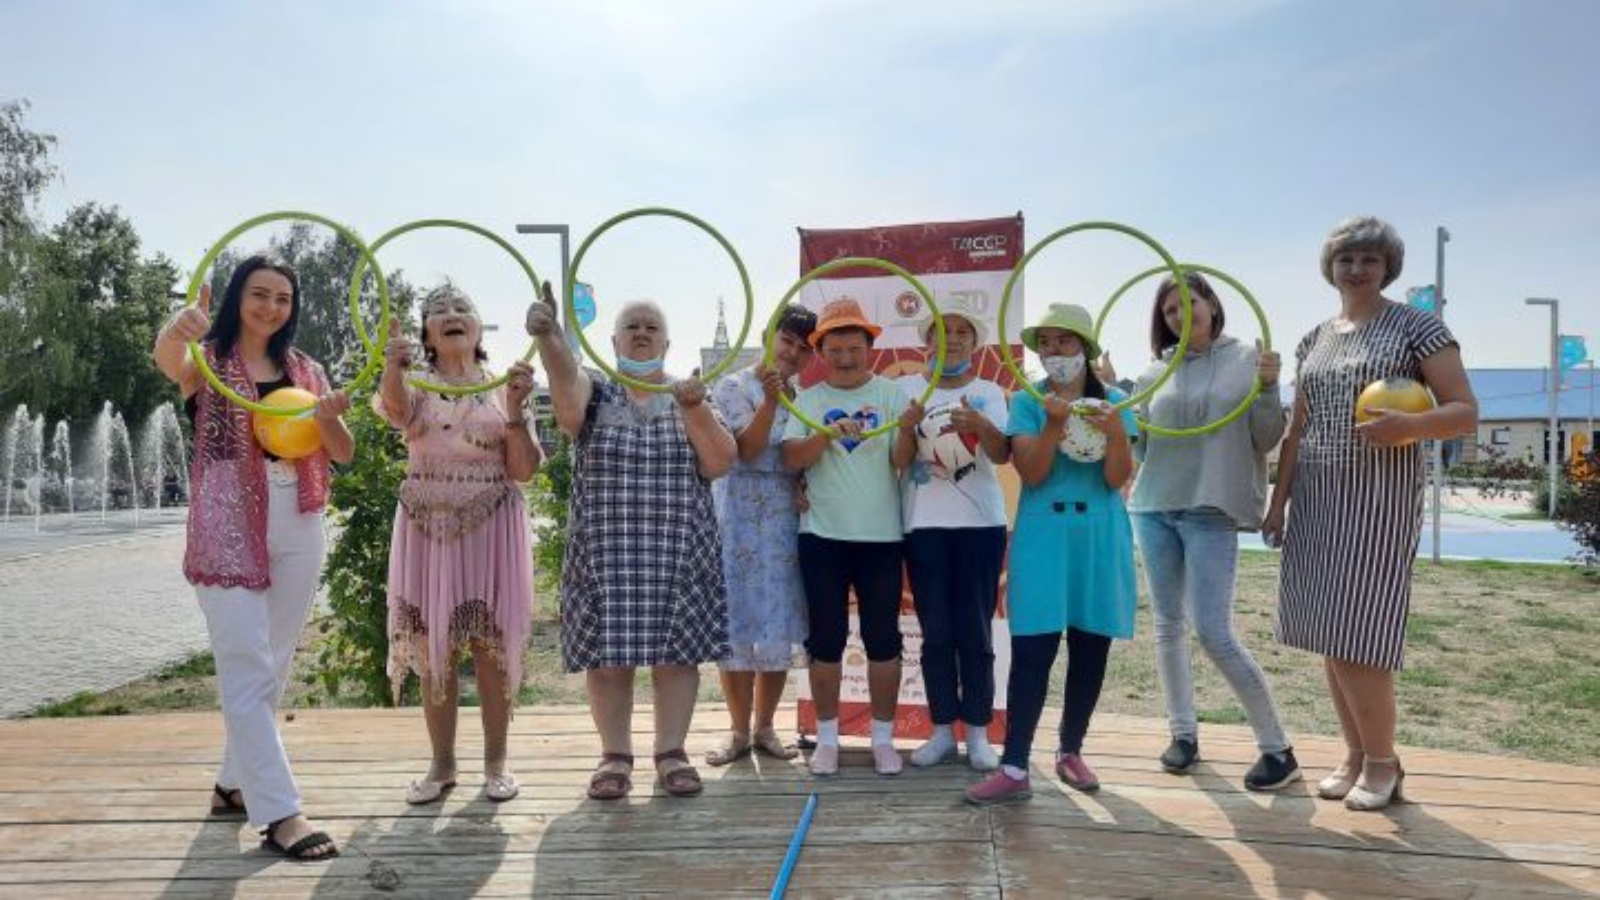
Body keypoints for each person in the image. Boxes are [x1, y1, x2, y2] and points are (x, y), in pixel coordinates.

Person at [1264, 216, 1477, 811]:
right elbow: (1297, 428)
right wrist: (1278, 502)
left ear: (1388, 268)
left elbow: (1464, 411)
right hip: (1317, 494)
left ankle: (1384, 762)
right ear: (1330, 267)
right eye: (1346, 259)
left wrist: (1411, 424)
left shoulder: (1418, 327)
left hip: (1379, 496)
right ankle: (1357, 753)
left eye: (1369, 260)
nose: (1356, 269)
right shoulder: (1314, 338)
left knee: (1362, 632)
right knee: (1329, 632)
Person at [151, 253, 352, 860]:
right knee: (245, 659)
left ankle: (234, 784)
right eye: (260, 293)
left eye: (283, 298)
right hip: (226, 518)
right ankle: (281, 812)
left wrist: (329, 417)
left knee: (275, 659)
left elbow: (341, 452)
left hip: (299, 514)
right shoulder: (208, 360)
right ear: (238, 296)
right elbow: (168, 359)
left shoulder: (306, 369)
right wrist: (178, 327)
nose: (271, 307)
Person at [524, 287, 736, 800]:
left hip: (679, 548)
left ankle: (672, 752)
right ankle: (614, 755)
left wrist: (695, 409)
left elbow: (720, 462)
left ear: (667, 343)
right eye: (632, 326)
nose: (641, 333)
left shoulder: (690, 394)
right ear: (614, 341)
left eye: (651, 327)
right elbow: (567, 408)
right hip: (606, 550)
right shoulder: (595, 389)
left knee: (678, 655)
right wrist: (550, 337)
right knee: (607, 657)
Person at [1128, 272, 1300, 790]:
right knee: (1167, 626)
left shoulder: (1247, 359)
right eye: (1169, 310)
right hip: (1154, 507)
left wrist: (1268, 387)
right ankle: (1183, 736)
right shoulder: (1153, 371)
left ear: (1212, 304)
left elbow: (1267, 438)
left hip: (1211, 507)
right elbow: (1142, 449)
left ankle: (1277, 749)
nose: (1180, 315)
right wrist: (1121, 411)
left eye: (1189, 302)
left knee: (1213, 631)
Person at [377, 284, 542, 805]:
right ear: (426, 333)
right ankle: (442, 764)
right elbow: (397, 412)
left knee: (491, 649)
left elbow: (524, 470)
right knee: (435, 649)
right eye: (439, 311)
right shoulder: (415, 383)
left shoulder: (503, 386)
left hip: (493, 527)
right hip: (427, 528)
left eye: (462, 308)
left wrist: (515, 410)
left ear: (478, 326)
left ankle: (497, 764)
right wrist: (392, 365)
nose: (451, 315)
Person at [966, 303, 1137, 804]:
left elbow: (1115, 479)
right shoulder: (1027, 400)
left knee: (1091, 647)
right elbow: (1033, 473)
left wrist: (1115, 432)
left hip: (1099, 534)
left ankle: (1071, 751)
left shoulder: (1117, 401)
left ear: (1085, 347)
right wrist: (1051, 425)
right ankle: (1015, 765)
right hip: (1043, 533)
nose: (1054, 351)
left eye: (1065, 341)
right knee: (1032, 651)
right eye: (1046, 342)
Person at [781, 296, 911, 777]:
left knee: (884, 641)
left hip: (882, 537)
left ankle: (883, 739)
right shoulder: (809, 399)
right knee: (826, 640)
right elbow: (790, 458)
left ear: (870, 347)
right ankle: (828, 740)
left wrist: (909, 431)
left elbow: (901, 460)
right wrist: (827, 435)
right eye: (834, 349)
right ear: (820, 351)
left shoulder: (891, 395)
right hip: (822, 537)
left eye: (854, 348)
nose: (845, 357)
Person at [890, 300, 1009, 772]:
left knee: (976, 631)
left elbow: (1001, 455)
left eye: (962, 332)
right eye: (942, 331)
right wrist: (906, 428)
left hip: (981, 527)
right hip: (924, 525)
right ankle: (941, 731)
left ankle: (978, 732)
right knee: (935, 632)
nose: (952, 339)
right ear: (927, 342)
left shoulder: (989, 391)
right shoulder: (905, 390)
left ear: (975, 344)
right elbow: (899, 460)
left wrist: (981, 426)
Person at [704, 304, 817, 766]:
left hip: (782, 518)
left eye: (803, 348)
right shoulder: (732, 386)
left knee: (776, 623)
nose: (792, 353)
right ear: (768, 336)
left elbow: (800, 456)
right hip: (736, 512)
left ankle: (765, 727)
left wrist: (804, 482)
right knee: (737, 623)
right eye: (787, 341)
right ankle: (737, 732)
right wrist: (770, 402)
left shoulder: (805, 396)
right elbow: (746, 451)